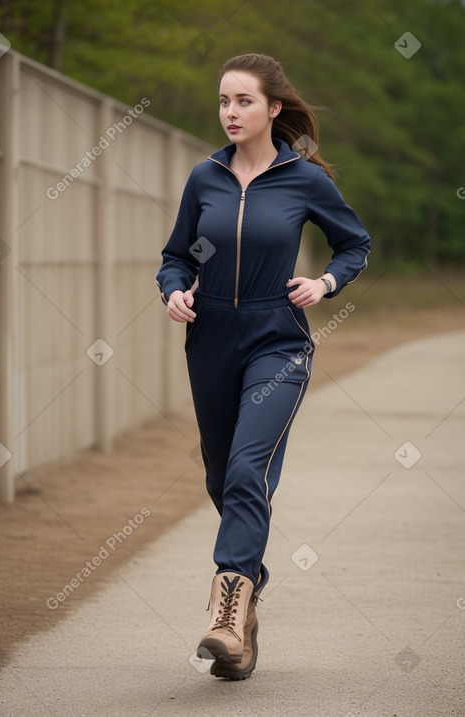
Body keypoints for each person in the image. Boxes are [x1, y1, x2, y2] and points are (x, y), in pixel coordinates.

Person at [155, 53, 370, 680]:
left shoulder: (303, 179)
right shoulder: (205, 179)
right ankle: (249, 604)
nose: (230, 112)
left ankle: (225, 608)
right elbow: (177, 256)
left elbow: (353, 242)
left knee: (250, 464)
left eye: (244, 101)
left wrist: (326, 282)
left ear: (273, 108)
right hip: (211, 339)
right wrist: (174, 289)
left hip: (279, 340)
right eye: (224, 101)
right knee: (223, 479)